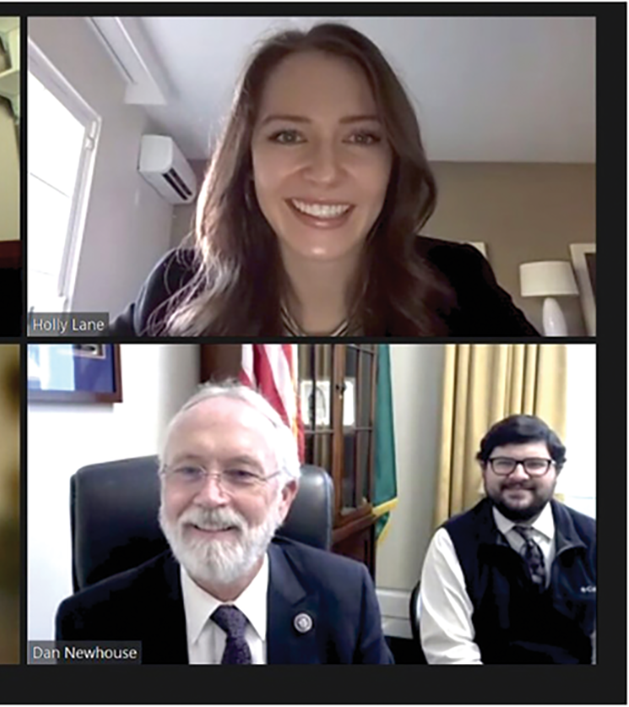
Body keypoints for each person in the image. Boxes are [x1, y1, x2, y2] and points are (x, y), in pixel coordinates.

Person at [109, 23, 537, 337]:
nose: (326, 171)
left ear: (393, 160)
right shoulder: (176, 284)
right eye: (288, 135)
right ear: (248, 160)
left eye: (361, 137)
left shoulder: (460, 280)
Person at [55, 382, 392, 664]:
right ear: (163, 485)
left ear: (283, 498)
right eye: (189, 470)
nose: (210, 497)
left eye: (241, 473)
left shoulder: (347, 597)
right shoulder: (89, 625)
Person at [418, 415, 595, 664]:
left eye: (535, 464)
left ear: (556, 471)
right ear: (484, 469)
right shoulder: (452, 542)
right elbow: (451, 653)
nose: (518, 475)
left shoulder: (594, 538)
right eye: (504, 463)